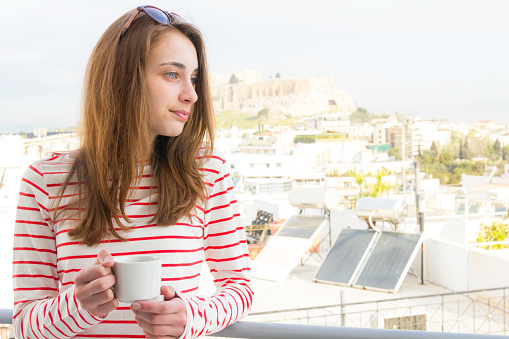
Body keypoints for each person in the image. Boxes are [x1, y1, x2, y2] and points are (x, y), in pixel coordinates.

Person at [12, 5, 253, 339]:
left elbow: (239, 287)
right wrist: (77, 307)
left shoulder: (208, 171)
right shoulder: (44, 180)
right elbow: (23, 325)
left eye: (194, 78)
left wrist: (192, 316)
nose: (192, 94)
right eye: (172, 74)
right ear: (124, 77)